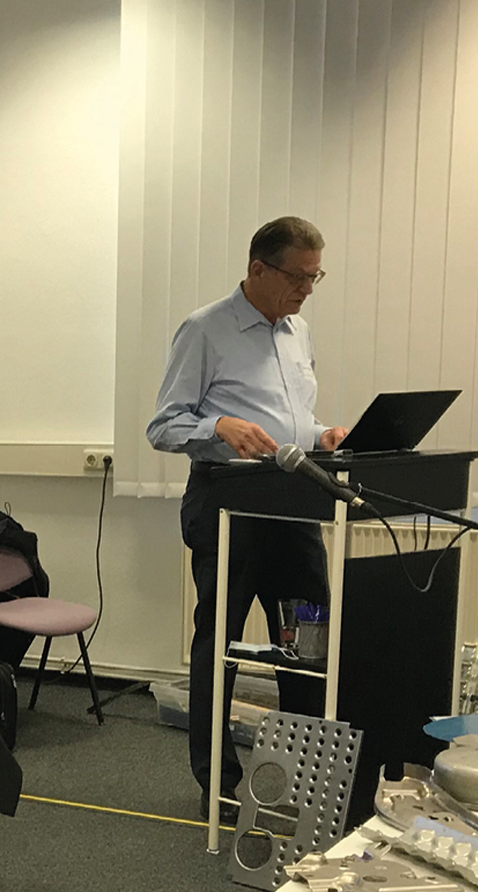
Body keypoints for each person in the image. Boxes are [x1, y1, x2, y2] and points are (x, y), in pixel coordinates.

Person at [146, 217, 348, 798]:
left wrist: (320, 435)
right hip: (228, 509)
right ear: (259, 268)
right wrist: (218, 425)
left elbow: (291, 420)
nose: (306, 289)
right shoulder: (205, 329)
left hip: (294, 508)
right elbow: (163, 425)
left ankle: (304, 784)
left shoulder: (298, 332)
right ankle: (219, 785)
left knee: (308, 650)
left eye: (315, 277)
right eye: (298, 276)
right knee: (221, 651)